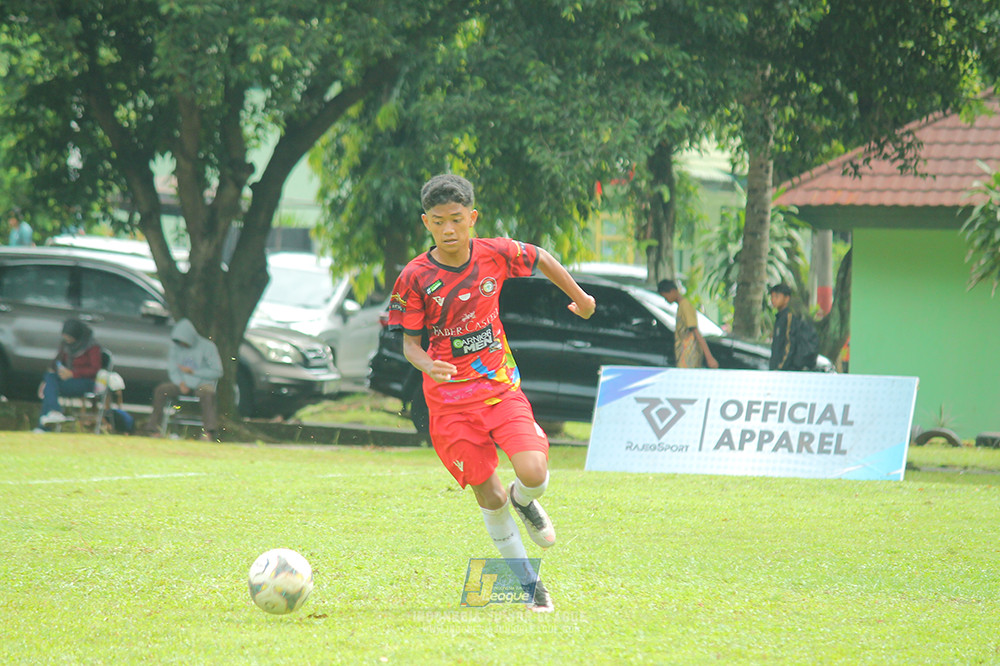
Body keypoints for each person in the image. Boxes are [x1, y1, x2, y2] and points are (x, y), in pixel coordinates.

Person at [389, 174, 596, 613]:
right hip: (449, 406)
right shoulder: (414, 277)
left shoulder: (494, 254)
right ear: (426, 222)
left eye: (457, 220)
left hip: (499, 387)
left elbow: (540, 257)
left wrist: (581, 297)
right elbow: (408, 343)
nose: (449, 229)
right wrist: (427, 363)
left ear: (472, 218)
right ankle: (528, 585)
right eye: (440, 221)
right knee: (490, 496)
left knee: (534, 472)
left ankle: (526, 500)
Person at [143, 319, 223, 441]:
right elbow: (173, 369)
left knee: (208, 394)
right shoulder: (175, 348)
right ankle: (154, 429)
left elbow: (217, 371)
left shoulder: (208, 347)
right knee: (161, 390)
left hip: (202, 383)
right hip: (181, 383)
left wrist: (194, 373)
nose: (182, 345)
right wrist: (180, 383)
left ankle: (209, 432)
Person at [35, 319, 102, 431]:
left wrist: (73, 373)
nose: (67, 340)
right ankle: (53, 413)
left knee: (50, 388)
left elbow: (95, 370)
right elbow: (55, 364)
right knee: (49, 378)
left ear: (77, 335)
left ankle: (44, 426)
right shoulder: (65, 345)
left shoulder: (92, 346)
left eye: (69, 337)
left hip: (85, 382)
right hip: (66, 380)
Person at [657, 279, 719, 369]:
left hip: (689, 356)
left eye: (666, 297)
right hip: (684, 356)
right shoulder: (681, 306)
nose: (666, 300)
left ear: (673, 291)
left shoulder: (685, 306)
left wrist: (709, 357)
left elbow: (695, 331)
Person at [768, 283, 818, 371]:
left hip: (786, 370)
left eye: (777, 296)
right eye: (772, 297)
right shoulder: (780, 317)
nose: (773, 300)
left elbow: (789, 344)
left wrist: (780, 367)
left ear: (786, 299)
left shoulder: (789, 317)